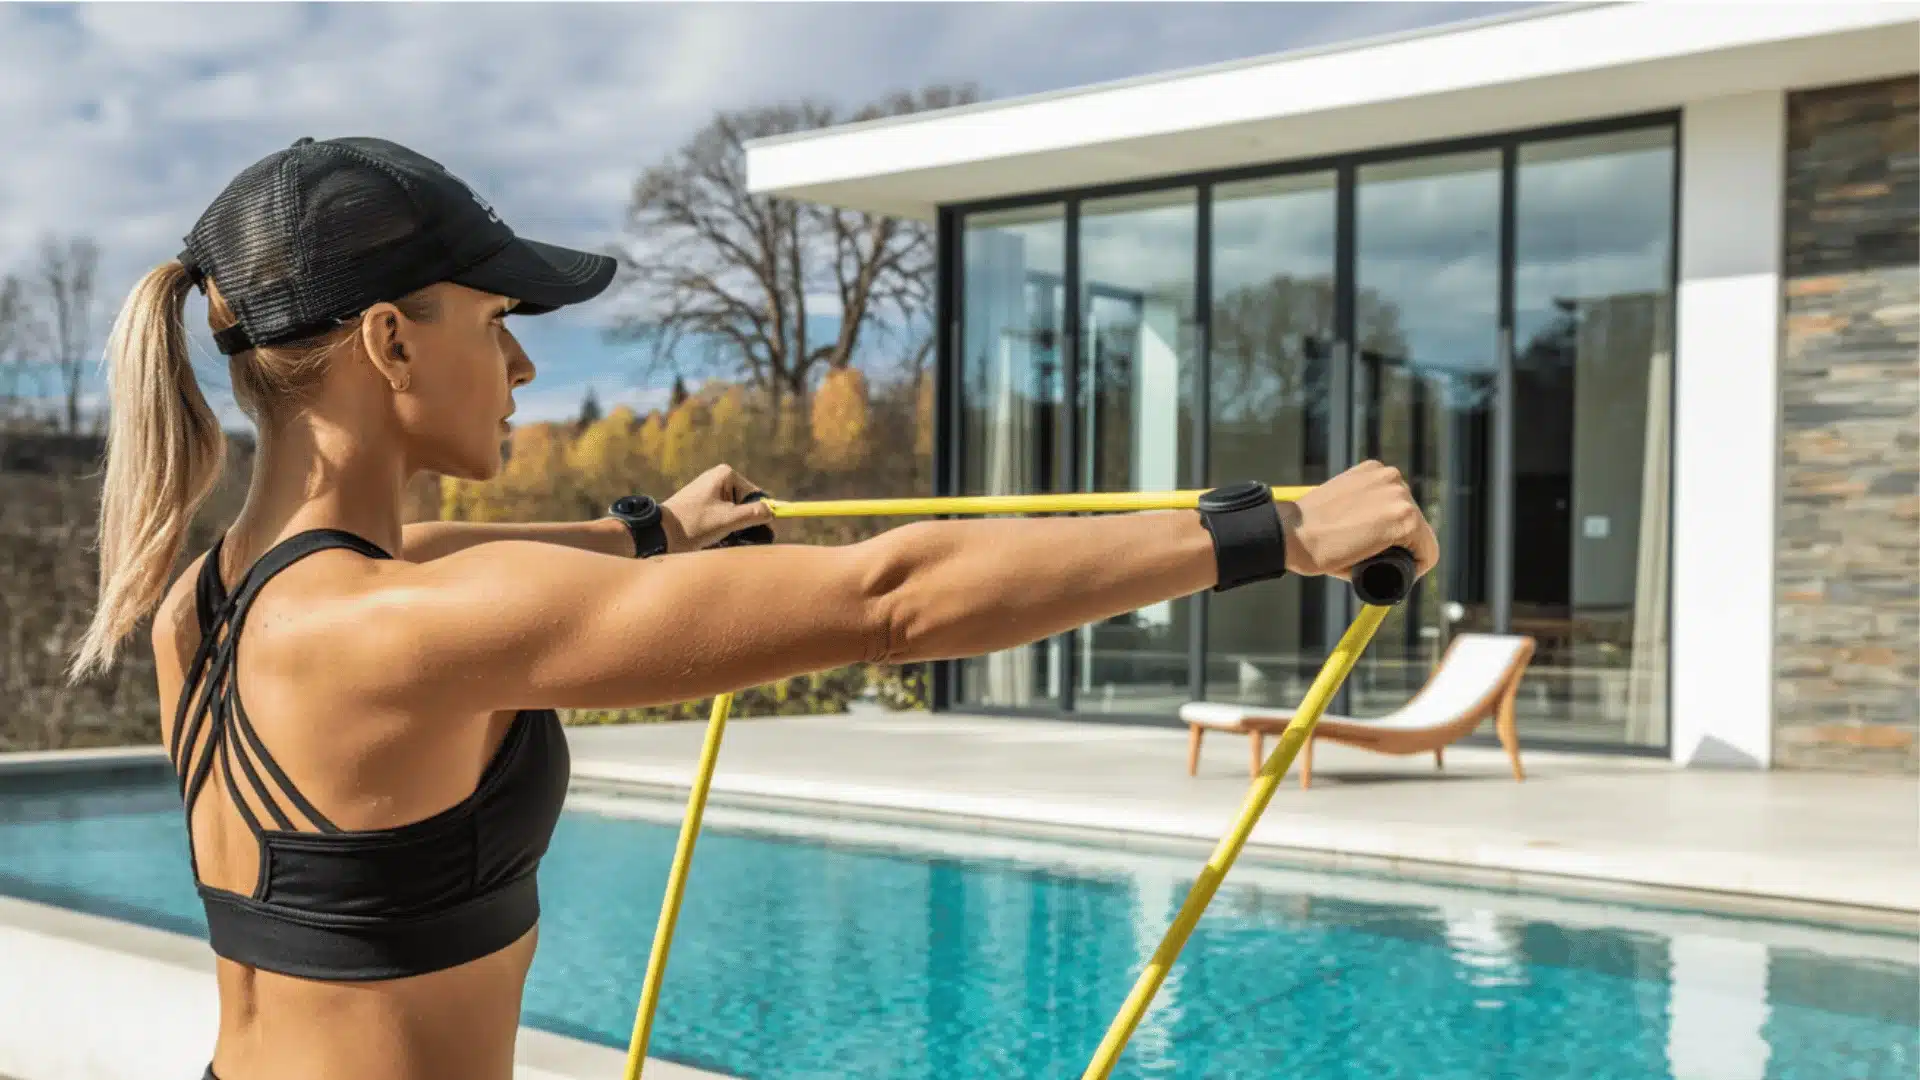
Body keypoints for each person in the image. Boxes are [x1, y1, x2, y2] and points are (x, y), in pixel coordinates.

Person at [67, 136, 1437, 1080]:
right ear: (388, 340)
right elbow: (888, 598)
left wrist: (650, 533)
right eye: (495, 321)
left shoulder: (213, 599)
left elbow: (416, 563)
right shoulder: (422, 627)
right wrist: (1277, 531)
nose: (526, 363)